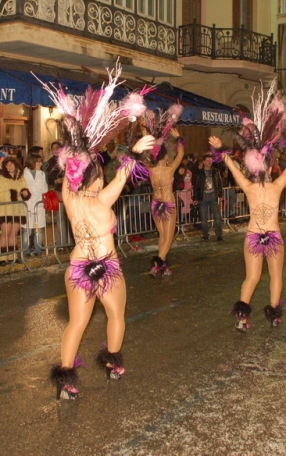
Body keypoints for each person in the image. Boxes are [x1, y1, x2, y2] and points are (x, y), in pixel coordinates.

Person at [41, 65, 152, 400]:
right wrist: (133, 151)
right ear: (95, 176)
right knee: (116, 315)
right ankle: (113, 365)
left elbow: (70, 170)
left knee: (76, 323)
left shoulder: (69, 197)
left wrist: (76, 139)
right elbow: (123, 176)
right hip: (106, 265)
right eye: (99, 172)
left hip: (77, 267)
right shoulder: (103, 197)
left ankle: (66, 383)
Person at [209, 83, 286, 331]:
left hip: (253, 235)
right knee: (274, 276)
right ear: (270, 166)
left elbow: (231, 166)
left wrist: (221, 149)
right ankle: (273, 314)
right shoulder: (277, 185)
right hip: (272, 236)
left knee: (252, 277)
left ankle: (242, 317)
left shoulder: (250, 187)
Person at [144, 104, 184, 277]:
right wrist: (178, 138)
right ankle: (157, 261)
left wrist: (147, 138)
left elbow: (140, 157)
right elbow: (181, 153)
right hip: (167, 203)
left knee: (162, 236)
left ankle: (163, 265)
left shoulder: (150, 169)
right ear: (165, 156)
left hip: (156, 203)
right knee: (168, 237)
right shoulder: (169, 169)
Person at [0, 157, 30, 265]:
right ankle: (2, 257)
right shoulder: (0, 179)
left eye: (11, 164)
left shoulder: (21, 179)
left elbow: (25, 189)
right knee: (5, 233)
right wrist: (11, 194)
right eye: (7, 165)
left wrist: (25, 192)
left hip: (18, 210)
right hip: (6, 210)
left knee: (14, 233)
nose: (10, 167)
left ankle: (13, 255)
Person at [193, 154, 223, 241]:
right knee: (203, 218)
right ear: (203, 162)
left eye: (210, 160)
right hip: (203, 198)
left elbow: (219, 184)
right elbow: (196, 186)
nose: (209, 162)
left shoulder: (216, 171)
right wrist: (195, 198)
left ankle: (219, 235)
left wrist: (220, 195)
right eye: (207, 160)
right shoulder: (199, 173)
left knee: (217, 217)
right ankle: (205, 234)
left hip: (213, 197)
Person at [22, 153, 48, 256]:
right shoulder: (23, 173)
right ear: (33, 162)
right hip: (28, 204)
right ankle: (26, 250)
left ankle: (38, 249)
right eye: (39, 161)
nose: (41, 164)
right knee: (27, 229)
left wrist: (43, 198)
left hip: (38, 205)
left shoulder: (41, 174)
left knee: (38, 229)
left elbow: (44, 188)